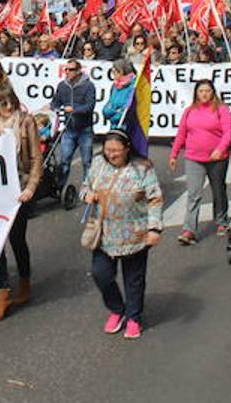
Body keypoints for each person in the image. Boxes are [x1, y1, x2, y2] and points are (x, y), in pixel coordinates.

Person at [82, 128, 163, 340]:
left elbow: (154, 199)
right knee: (101, 274)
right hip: (104, 232)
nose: (112, 154)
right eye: (108, 150)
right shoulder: (98, 164)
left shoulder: (142, 168)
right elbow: (84, 186)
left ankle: (134, 317)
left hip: (135, 233)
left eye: (116, 151)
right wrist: (87, 194)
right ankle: (117, 308)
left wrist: (154, 228)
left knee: (134, 279)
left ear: (127, 149)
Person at [0, 85, 42, 322]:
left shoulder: (25, 122)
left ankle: (24, 283)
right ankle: (2, 292)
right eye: (2, 103)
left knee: (17, 239)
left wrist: (31, 188)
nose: (7, 107)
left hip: (17, 188)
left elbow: (36, 157)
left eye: (10, 102)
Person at [169, 79, 231, 245]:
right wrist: (174, 154)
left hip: (217, 158)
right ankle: (189, 229)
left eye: (207, 91)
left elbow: (228, 133)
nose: (204, 94)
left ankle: (221, 221)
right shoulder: (190, 111)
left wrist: (220, 149)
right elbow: (181, 133)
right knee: (193, 194)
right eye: (201, 91)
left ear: (213, 93)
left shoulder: (221, 109)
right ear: (196, 93)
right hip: (193, 157)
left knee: (218, 190)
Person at [54, 59, 97, 190]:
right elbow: (56, 101)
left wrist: (74, 110)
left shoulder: (89, 86)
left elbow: (90, 106)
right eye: (66, 69)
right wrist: (51, 108)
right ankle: (59, 188)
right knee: (64, 161)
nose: (67, 72)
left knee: (87, 162)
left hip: (85, 130)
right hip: (69, 129)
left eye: (71, 69)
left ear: (79, 71)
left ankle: (86, 188)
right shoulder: (62, 86)